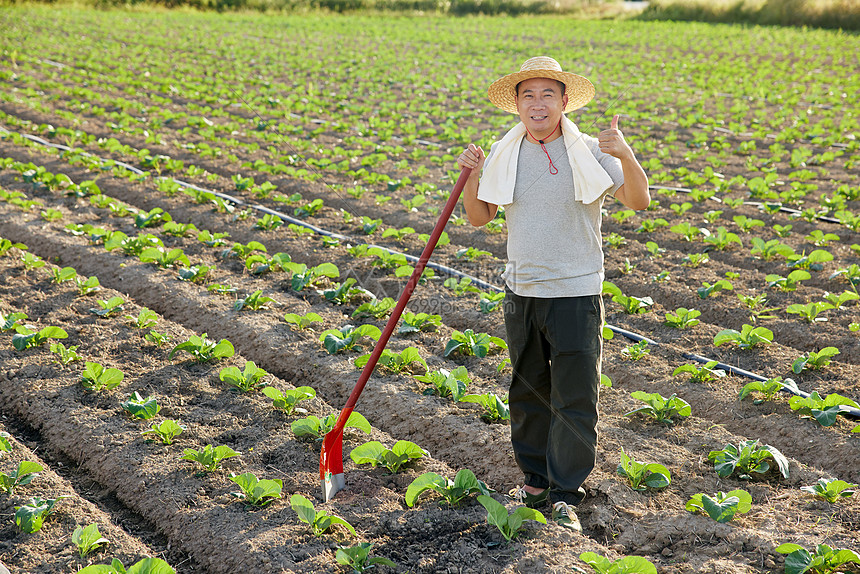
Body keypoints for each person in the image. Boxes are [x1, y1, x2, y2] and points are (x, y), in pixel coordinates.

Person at [457, 56, 650, 531]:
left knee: (574, 396)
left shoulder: (590, 150)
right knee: (526, 393)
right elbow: (479, 217)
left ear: (564, 102)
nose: (537, 104)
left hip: (576, 292)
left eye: (548, 94)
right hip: (521, 290)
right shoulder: (505, 153)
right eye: (528, 95)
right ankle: (535, 482)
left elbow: (638, 200)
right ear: (517, 105)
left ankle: (566, 491)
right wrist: (471, 176)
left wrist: (624, 153)